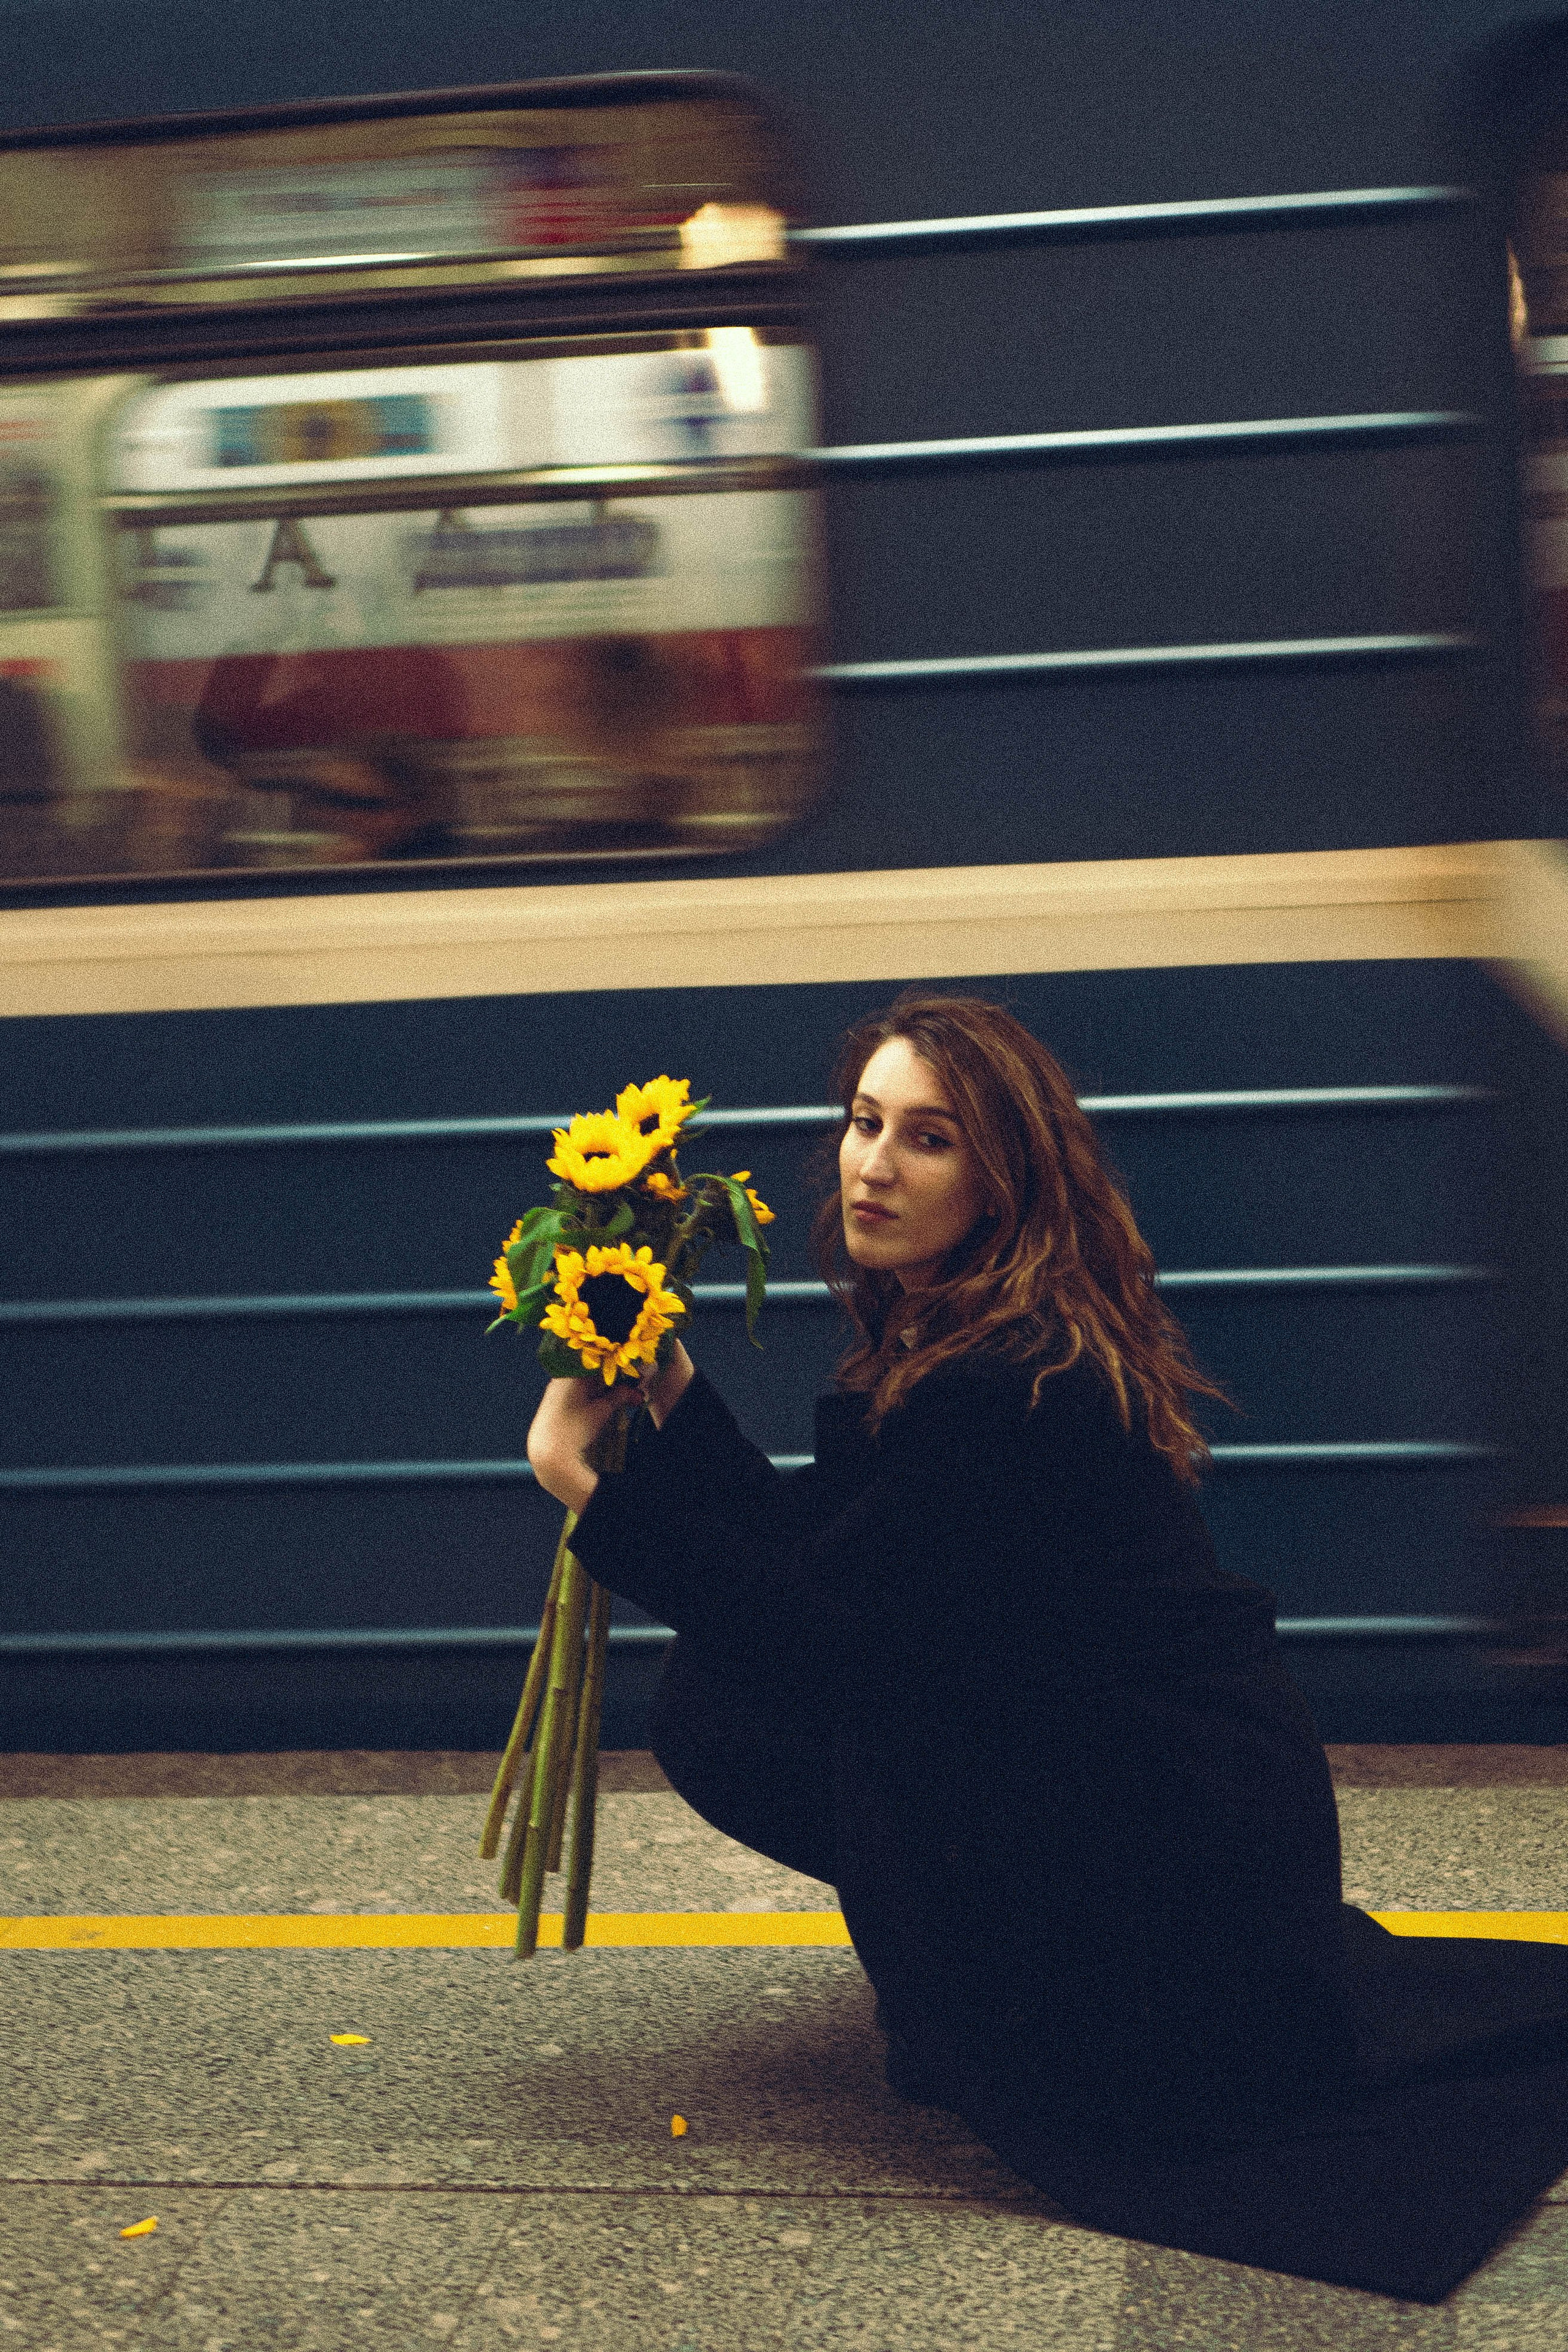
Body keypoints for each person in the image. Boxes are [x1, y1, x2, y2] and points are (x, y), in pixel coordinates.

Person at [527, 992, 1568, 2302]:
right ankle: (977, 1958)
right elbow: (831, 1564)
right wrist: (672, 1387)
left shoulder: (1002, 1382)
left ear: (1004, 1180)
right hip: (1155, 1793)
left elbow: (820, 1636)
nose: (872, 1164)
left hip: (1160, 1850)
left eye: (929, 1139)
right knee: (732, 1690)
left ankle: (1012, 1989)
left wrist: (576, 1475)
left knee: (734, 1698)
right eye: (864, 1122)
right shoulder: (971, 1328)